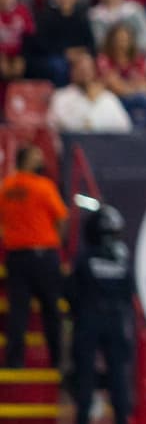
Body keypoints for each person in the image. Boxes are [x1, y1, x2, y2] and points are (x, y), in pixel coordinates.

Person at [67, 203, 134, 424]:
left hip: (89, 318)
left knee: (85, 373)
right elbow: (129, 291)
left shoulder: (85, 258)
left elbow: (72, 291)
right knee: (118, 375)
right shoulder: (122, 258)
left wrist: (78, 313)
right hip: (115, 318)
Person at [0, 146, 68, 368]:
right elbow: (61, 217)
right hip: (43, 255)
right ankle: (57, 359)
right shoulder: (43, 186)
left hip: (16, 255)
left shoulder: (6, 187)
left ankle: (14, 360)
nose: (41, 158)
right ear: (26, 160)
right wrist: (55, 243)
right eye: (36, 155)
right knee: (51, 309)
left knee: (18, 310)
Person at [48, 51, 132, 133]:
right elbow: (55, 126)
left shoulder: (107, 97)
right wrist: (89, 102)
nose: (84, 73)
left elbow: (125, 127)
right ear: (72, 71)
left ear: (94, 71)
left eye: (88, 69)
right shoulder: (60, 96)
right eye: (81, 69)